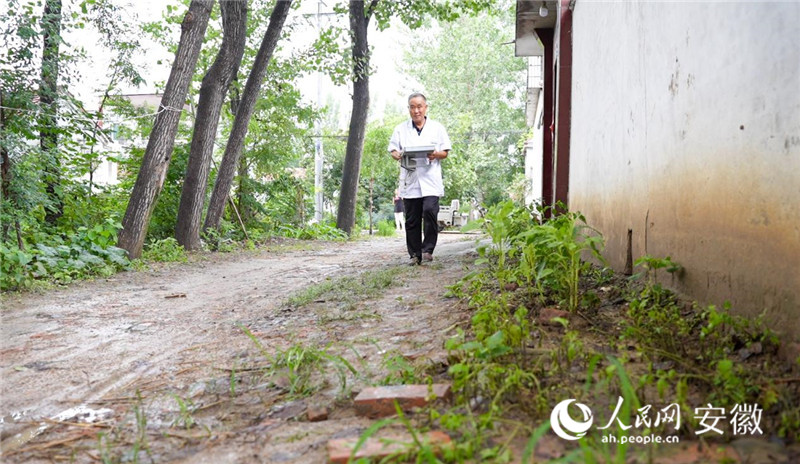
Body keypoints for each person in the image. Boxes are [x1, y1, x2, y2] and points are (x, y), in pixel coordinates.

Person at [389, 92, 452, 265]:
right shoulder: (400, 129)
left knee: (430, 211)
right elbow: (393, 150)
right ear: (409, 109)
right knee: (412, 219)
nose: (416, 110)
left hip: (430, 179)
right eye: (412, 107)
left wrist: (435, 154)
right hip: (410, 179)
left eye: (419, 106)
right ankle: (415, 254)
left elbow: (445, 152)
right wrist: (399, 156)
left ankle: (427, 250)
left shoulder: (437, 128)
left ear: (425, 108)